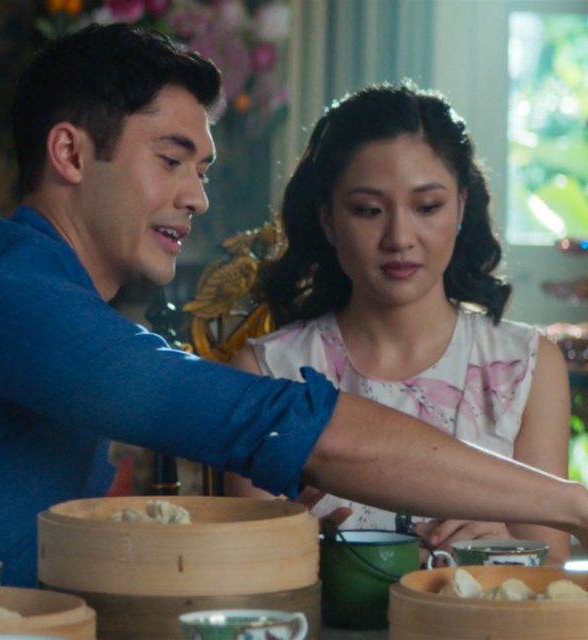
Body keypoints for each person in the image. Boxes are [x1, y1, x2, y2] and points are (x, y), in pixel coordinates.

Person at [0, 24, 586, 588]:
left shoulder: (33, 289)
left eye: (200, 171)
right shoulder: (14, 300)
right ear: (70, 153)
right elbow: (280, 426)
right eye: (170, 160)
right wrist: (575, 505)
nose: (197, 199)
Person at [225, 81, 571, 564]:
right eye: (368, 210)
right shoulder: (267, 373)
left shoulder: (526, 366)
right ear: (327, 218)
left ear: (461, 207)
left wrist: (502, 540)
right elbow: (247, 570)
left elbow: (552, 563)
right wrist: (296, 543)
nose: (399, 237)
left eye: (427, 207)